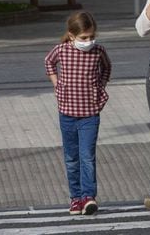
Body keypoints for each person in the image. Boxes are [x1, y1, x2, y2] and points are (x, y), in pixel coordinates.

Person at [45, 11, 112, 215]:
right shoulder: (62, 50)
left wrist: (99, 87)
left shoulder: (98, 51)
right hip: (67, 113)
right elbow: (48, 62)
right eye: (84, 38)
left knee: (87, 156)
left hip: (90, 114)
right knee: (71, 157)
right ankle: (75, 198)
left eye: (92, 37)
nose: (88, 41)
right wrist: (57, 85)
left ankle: (88, 197)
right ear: (72, 35)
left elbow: (107, 68)